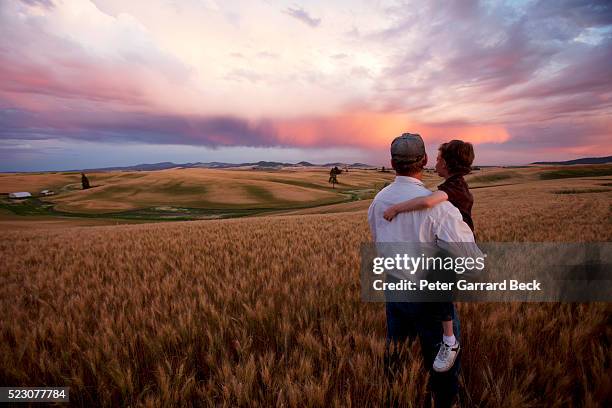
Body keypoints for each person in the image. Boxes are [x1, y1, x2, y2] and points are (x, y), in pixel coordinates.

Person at [367, 133, 480, 407]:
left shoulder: (378, 201)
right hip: (430, 296)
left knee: (397, 356)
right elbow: (469, 257)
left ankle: (396, 398)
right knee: (442, 365)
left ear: (392, 162)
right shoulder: (440, 206)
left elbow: (378, 240)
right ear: (426, 160)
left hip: (395, 288)